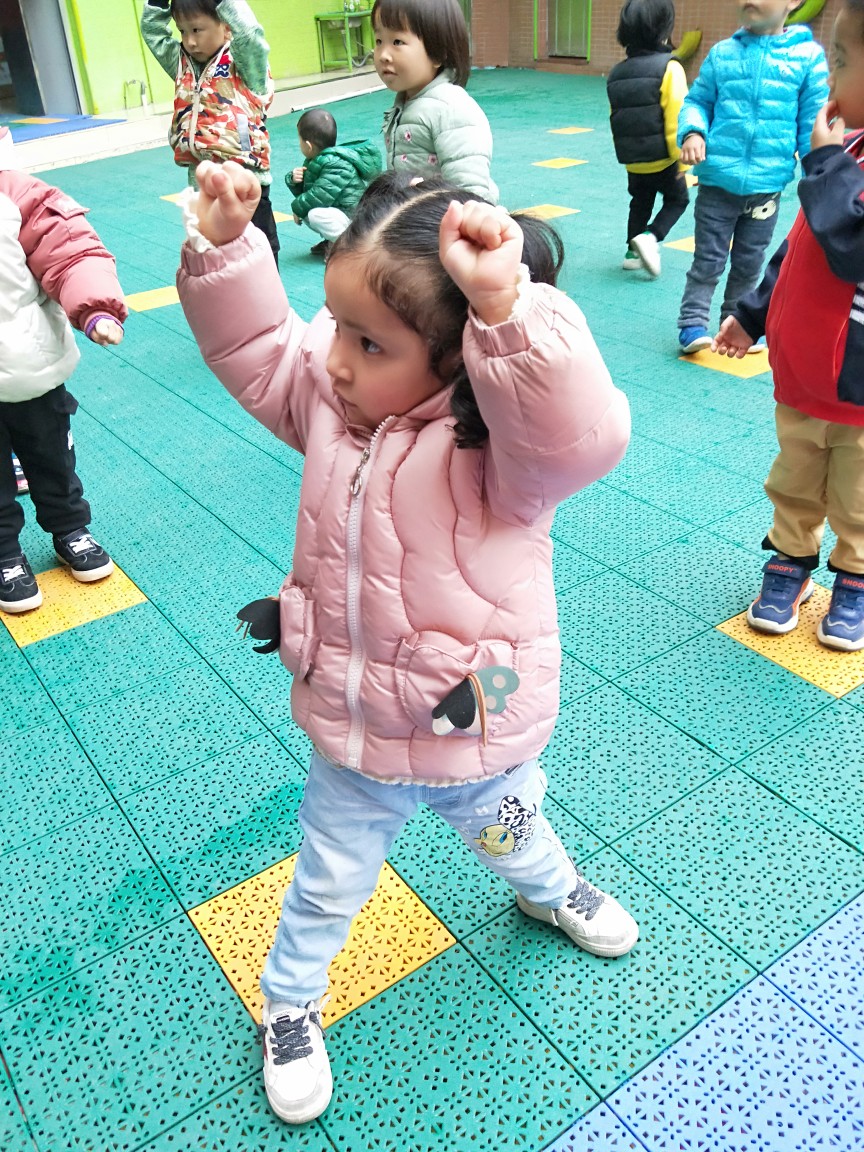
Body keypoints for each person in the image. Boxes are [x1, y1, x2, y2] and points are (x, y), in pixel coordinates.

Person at [176, 160, 637, 1124]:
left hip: (474, 721)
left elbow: (576, 431)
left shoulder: (503, 455)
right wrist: (226, 252)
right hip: (361, 732)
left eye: (369, 342)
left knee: (513, 827)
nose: (336, 361)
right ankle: (290, 1003)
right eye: (336, 326)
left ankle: (551, 891)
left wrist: (506, 309)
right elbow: (263, 350)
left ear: (460, 356)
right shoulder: (335, 407)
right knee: (328, 880)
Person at [714, 0, 864, 651]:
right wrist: (753, 314)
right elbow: (804, 247)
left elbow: (852, 246)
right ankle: (791, 560)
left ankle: (855, 578)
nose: (831, 77)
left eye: (843, 60)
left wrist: (826, 165)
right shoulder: (849, 150)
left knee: (858, 496)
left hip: (858, 389)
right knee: (794, 479)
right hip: (804, 376)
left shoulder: (838, 161)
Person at [0, 126, 125, 614]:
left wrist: (93, 305)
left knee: (51, 453)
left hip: (27, 362)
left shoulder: (15, 192)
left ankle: (69, 526)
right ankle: (4, 552)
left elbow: (70, 247)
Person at [676, 0, 828, 354]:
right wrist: (694, 132)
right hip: (718, 181)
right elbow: (697, 101)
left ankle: (737, 322)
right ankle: (692, 322)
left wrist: (820, 175)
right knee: (708, 259)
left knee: (749, 261)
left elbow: (812, 124)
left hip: (766, 186)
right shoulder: (722, 54)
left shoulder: (807, 58)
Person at [141, 0, 280, 262]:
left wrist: (224, 2)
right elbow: (153, 34)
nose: (189, 41)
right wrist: (157, 4)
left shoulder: (245, 64)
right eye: (183, 31)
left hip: (245, 183)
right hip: (203, 185)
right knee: (213, 257)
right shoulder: (182, 64)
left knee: (258, 256)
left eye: (197, 30)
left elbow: (249, 34)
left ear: (226, 27)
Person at [373, 0, 498, 202]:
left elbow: (470, 194)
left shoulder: (451, 109)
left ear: (437, 53)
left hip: (443, 217)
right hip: (415, 214)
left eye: (397, 42)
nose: (383, 55)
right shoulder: (406, 103)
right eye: (379, 41)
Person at [607, 0, 689, 278]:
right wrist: (682, 162)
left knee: (640, 202)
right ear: (664, 30)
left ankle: (632, 254)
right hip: (663, 158)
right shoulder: (670, 68)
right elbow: (677, 116)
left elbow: (616, 116)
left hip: (633, 160)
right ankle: (650, 237)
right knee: (678, 200)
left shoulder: (616, 74)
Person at [286, 107, 383, 257]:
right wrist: (294, 181)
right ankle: (333, 241)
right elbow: (309, 192)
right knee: (307, 209)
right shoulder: (317, 160)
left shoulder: (336, 164)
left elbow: (320, 196)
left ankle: (350, 245)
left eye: (299, 140)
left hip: (355, 218)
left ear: (309, 145)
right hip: (343, 213)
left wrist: (297, 207)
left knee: (315, 214)